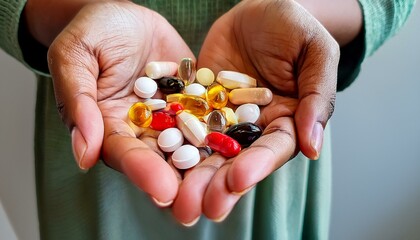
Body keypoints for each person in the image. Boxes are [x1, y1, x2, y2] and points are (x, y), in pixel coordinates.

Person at [0, 0, 415, 239]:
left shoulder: (216, 106)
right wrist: (70, 16)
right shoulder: (166, 109)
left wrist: (302, 11)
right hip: (103, 103)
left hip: (276, 124)